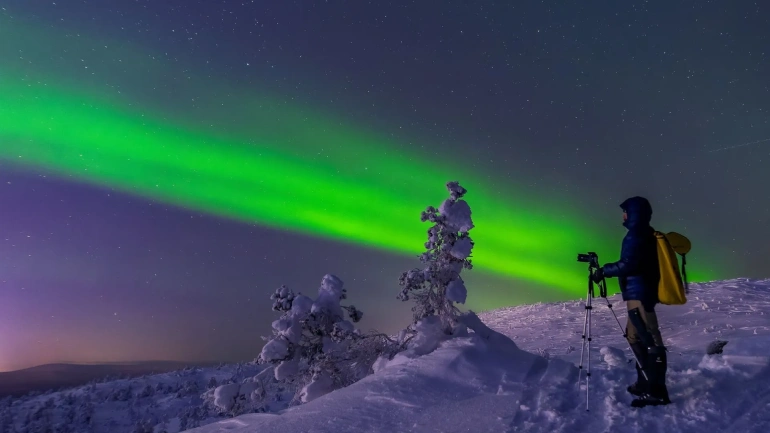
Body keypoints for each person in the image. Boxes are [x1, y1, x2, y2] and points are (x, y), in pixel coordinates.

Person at [592, 196, 671, 407]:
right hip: (638, 293)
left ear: (634, 214)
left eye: (625, 212)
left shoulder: (635, 236)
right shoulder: (644, 234)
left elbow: (629, 264)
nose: (623, 216)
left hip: (640, 294)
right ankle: (644, 381)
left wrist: (604, 271)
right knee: (635, 337)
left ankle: (657, 391)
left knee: (650, 340)